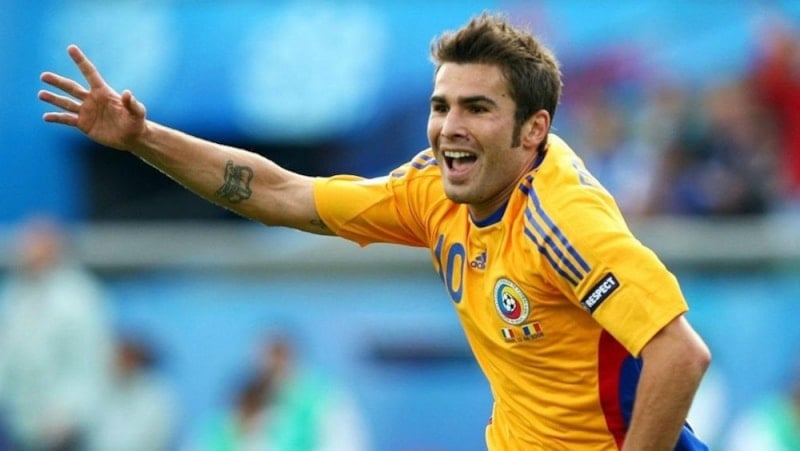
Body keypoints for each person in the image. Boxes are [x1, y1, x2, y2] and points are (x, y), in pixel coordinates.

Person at [38, 12, 711, 449]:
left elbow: (680, 354)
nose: (450, 128)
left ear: (533, 128)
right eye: (442, 106)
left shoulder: (563, 220)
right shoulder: (434, 189)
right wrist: (143, 137)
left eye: (477, 108)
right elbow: (282, 192)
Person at [0, 215, 114, 450]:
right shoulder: (15, 293)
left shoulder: (78, 297)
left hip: (62, 426)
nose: (22, 250)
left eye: (31, 243)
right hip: (18, 421)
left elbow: (88, 361)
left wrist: (70, 411)